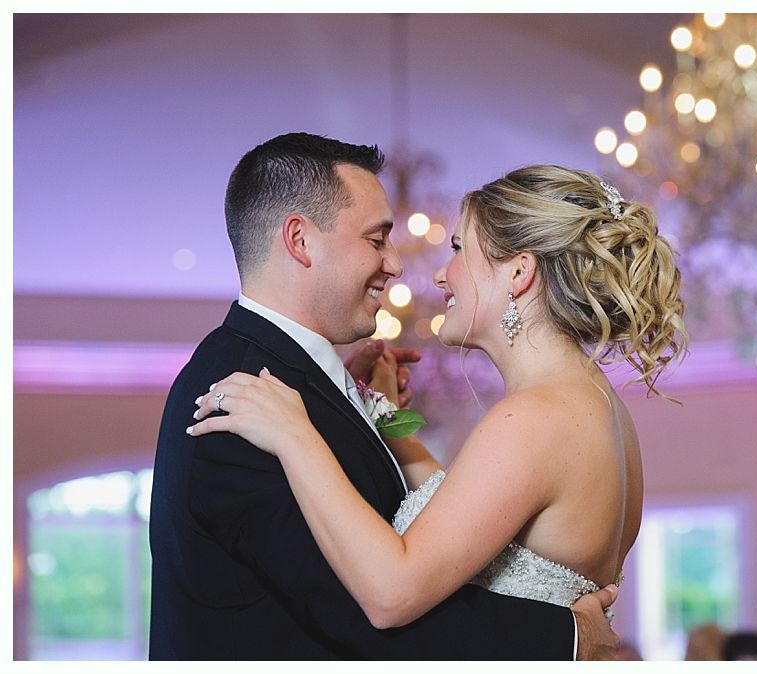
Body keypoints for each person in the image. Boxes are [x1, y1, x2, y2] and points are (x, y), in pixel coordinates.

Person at [149, 134, 621, 660]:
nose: (400, 266)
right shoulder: (240, 395)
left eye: (459, 249)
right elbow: (352, 610)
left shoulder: (293, 392)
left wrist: (375, 412)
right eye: (377, 240)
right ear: (301, 241)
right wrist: (567, 639)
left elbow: (405, 558)